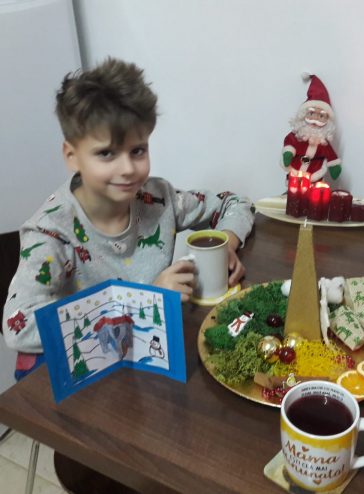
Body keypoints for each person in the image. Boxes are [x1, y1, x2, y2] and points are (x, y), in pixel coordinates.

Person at [2, 58, 254, 379]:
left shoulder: (158, 198)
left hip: (152, 365)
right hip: (93, 377)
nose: (128, 169)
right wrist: (143, 302)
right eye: (106, 153)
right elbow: (19, 327)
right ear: (71, 156)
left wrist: (226, 243)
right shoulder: (50, 232)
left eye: (138, 150)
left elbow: (235, 203)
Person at [281, 74, 342, 182]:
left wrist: (334, 165)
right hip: (295, 170)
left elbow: (330, 155)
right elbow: (290, 142)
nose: (315, 120)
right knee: (293, 190)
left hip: (314, 174)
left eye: (321, 116)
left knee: (316, 190)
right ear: (304, 114)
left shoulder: (323, 142)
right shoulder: (298, 135)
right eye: (311, 114)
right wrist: (288, 152)